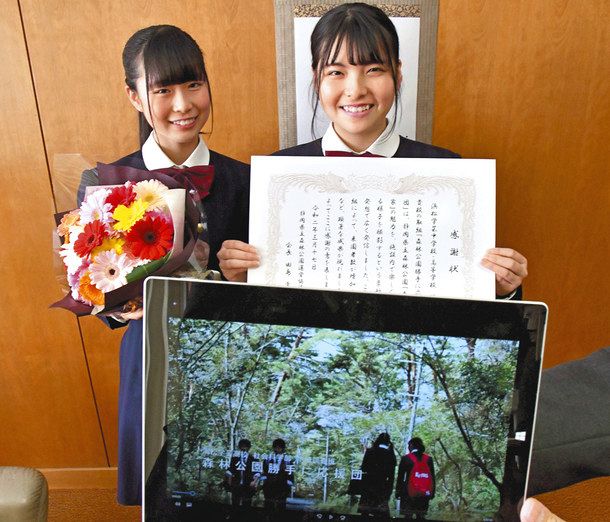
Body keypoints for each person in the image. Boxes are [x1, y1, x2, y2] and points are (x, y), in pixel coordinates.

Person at [218, 2, 528, 299]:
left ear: (398, 73)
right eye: (336, 72)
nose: (355, 89)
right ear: (316, 79)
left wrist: (501, 288)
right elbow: (260, 310)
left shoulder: (448, 170)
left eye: (374, 69)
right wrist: (239, 279)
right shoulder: (275, 175)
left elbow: (467, 302)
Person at [77, 25, 249, 505]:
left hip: (227, 356)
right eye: (163, 90)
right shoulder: (103, 184)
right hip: (149, 356)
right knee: (158, 494)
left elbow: (268, 291)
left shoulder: (244, 179)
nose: (182, 104)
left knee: (224, 489)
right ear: (134, 97)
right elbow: (99, 296)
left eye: (193, 84)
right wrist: (116, 303)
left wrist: (242, 279)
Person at [357, 432, 397, 517]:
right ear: (388, 442)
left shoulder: (370, 451)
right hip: (382, 488)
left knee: (365, 514)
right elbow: (391, 477)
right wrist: (388, 492)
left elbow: (364, 468)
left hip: (368, 487)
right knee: (381, 514)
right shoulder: (390, 455)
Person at [396, 437, 435, 520]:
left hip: (408, 493)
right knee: (421, 516)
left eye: (408, 445)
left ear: (411, 445)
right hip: (424, 494)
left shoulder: (405, 458)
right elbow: (432, 477)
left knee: (408, 516)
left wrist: (398, 492)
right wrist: (432, 493)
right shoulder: (428, 459)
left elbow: (400, 478)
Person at [260, 438, 294, 510]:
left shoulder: (287, 459)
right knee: (268, 505)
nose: (277, 449)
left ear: (283, 448)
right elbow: (263, 470)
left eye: (279, 447)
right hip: (269, 485)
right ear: (273, 448)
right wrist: (263, 479)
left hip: (282, 485)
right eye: (276, 447)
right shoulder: (268, 458)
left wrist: (290, 482)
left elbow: (290, 472)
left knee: (281, 506)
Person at [225, 438, 260, 507]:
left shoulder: (254, 458)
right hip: (236, 484)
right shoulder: (235, 458)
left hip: (248, 485)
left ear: (249, 448)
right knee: (235, 503)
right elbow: (230, 469)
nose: (243, 448)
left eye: (245, 447)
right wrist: (229, 480)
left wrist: (254, 482)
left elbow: (257, 472)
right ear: (239, 447)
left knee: (247, 504)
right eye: (242, 446)